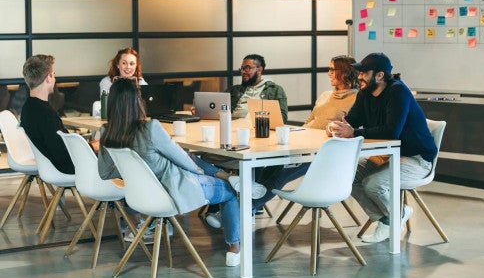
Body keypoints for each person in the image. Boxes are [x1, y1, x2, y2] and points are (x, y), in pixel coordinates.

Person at [97, 78, 244, 267]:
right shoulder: (150, 128)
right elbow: (183, 161)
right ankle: (234, 250)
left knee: (191, 160)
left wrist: (133, 170)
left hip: (140, 198)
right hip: (174, 192)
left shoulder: (107, 132)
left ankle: (224, 175)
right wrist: (200, 171)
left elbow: (104, 173)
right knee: (230, 191)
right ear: (136, 101)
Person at [328, 52, 437, 243]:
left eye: (364, 72)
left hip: (417, 160)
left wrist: (353, 133)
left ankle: (391, 220)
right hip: (387, 157)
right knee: (347, 177)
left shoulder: (398, 92)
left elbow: (391, 131)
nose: (359, 76)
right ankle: (390, 217)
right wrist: (337, 127)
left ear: (379, 75)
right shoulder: (365, 93)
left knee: (373, 184)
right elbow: (352, 120)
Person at [251, 55, 360, 214]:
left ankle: (244, 208)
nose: (328, 73)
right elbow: (310, 121)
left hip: (322, 154)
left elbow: (347, 129)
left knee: (279, 173)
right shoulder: (324, 95)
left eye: (332, 69)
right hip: (303, 146)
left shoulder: (356, 98)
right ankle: (253, 206)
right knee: (268, 165)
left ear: (344, 73)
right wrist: (296, 135)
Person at [203, 53, 288, 228]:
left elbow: (282, 119)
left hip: (256, 135)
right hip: (230, 133)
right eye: (242, 68)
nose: (244, 71)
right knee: (210, 155)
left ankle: (235, 204)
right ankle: (225, 201)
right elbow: (218, 112)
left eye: (248, 68)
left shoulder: (274, 90)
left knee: (238, 159)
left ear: (260, 69)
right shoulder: (234, 90)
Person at [20, 55, 74, 175]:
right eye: (53, 74)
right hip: (67, 169)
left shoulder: (28, 108)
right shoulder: (47, 115)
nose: (54, 78)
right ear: (48, 78)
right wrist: (91, 149)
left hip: (48, 167)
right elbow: (63, 155)